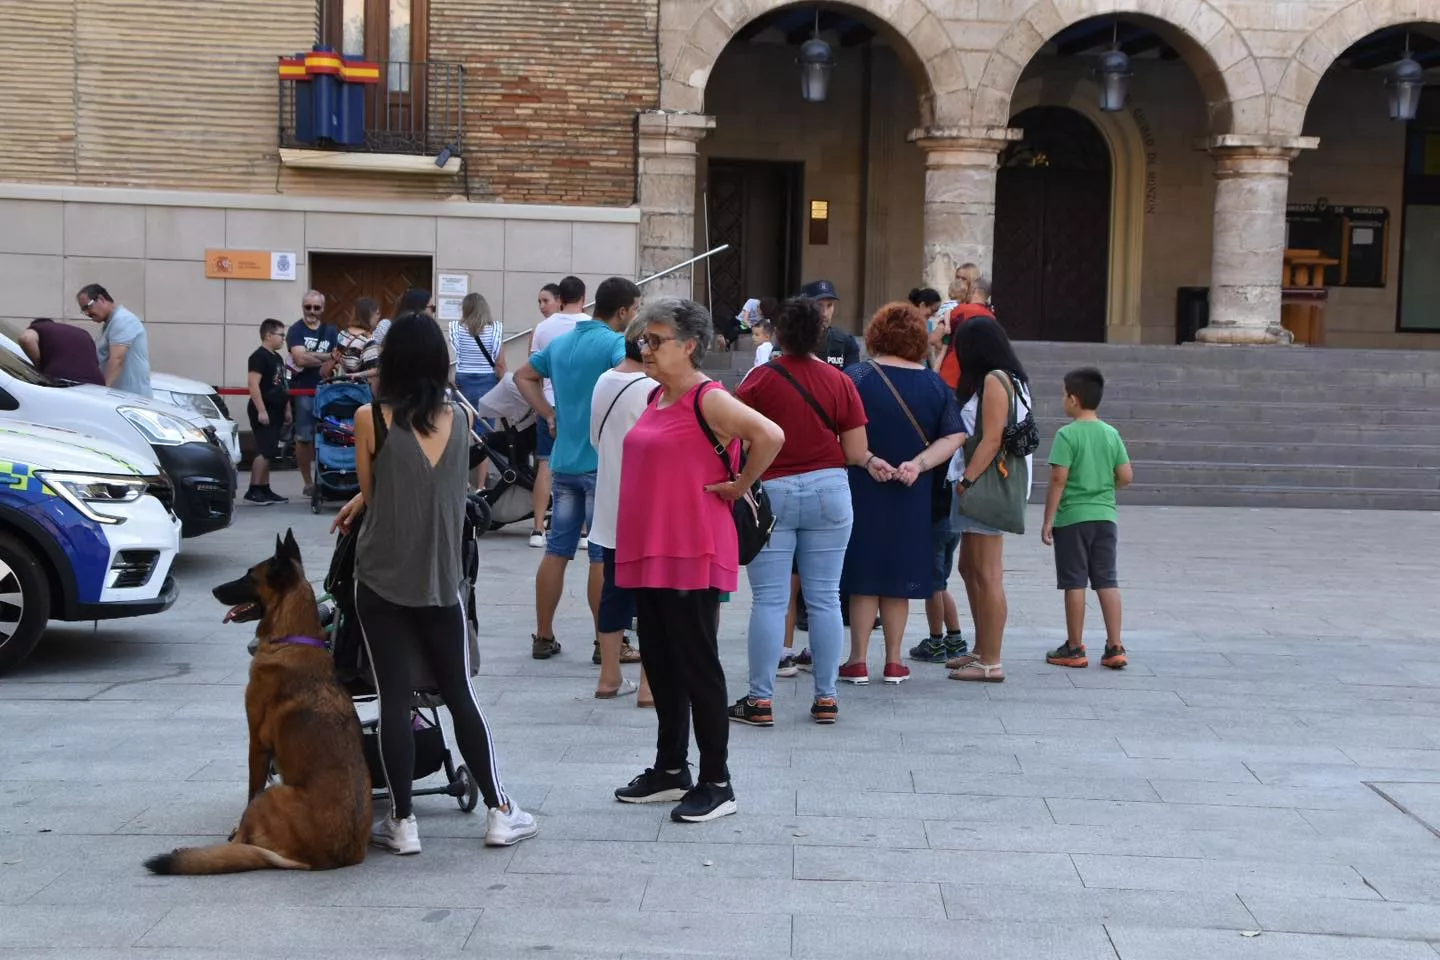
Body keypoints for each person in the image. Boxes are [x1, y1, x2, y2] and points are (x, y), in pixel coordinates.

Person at [333, 312, 537, 854]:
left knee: (395, 699)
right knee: (459, 693)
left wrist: (359, 498)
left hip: (379, 576)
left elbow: (375, 493)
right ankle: (499, 810)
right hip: (441, 578)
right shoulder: (463, 418)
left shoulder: (368, 418)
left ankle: (403, 824)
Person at [612, 298, 783, 822]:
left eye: (656, 340)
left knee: (697, 663)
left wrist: (741, 484)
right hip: (650, 546)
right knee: (661, 662)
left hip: (691, 547)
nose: (647, 348)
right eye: (643, 340)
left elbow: (770, 436)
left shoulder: (708, 399)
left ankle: (717, 780)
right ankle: (670, 768)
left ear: (689, 346)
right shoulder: (655, 398)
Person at [730, 298, 880, 727]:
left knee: (770, 600)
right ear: (820, 335)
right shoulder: (839, 381)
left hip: (772, 490)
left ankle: (760, 699)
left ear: (777, 333)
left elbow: (736, 437)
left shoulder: (759, 380)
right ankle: (827, 697)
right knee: (826, 597)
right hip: (829, 490)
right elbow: (854, 451)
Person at [839, 303, 966, 684]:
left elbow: (840, 432)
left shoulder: (856, 376)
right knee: (897, 578)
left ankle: (858, 660)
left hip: (865, 486)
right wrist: (919, 464)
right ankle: (894, 661)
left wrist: (867, 459)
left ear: (876, 335)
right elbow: (956, 434)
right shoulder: (934, 383)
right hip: (913, 492)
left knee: (864, 576)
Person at [515, 277, 639, 661]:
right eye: (634, 309)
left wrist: (549, 413)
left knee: (557, 550)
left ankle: (544, 635)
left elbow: (523, 375)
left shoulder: (561, 343)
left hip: (564, 459)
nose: (634, 316)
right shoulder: (615, 344)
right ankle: (608, 644)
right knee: (602, 555)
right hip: (601, 462)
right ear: (622, 311)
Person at [946, 316, 1033, 683]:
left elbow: (992, 438)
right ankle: (982, 648)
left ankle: (991, 661)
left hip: (985, 484)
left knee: (988, 573)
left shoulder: (996, 380)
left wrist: (967, 480)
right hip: (980, 482)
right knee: (969, 568)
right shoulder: (1007, 379)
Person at [1042, 367, 1133, 670]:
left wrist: (1048, 520)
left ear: (1074, 399)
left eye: (1063, 394)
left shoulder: (1066, 435)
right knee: (1107, 579)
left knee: (1075, 582)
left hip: (1072, 519)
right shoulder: (1111, 433)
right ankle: (1115, 646)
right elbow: (1126, 476)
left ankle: (1074, 646)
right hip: (1105, 516)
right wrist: (1104, 490)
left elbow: (1058, 480)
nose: (1063, 400)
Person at [588, 316, 654, 700]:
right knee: (651, 597)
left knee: (615, 590)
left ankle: (608, 678)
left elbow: (596, 439)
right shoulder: (653, 388)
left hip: (612, 501)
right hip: (648, 507)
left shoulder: (604, 381)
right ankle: (649, 685)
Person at [527, 279, 585, 549]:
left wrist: (540, 406)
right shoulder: (590, 326)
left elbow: (532, 373)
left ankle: (538, 529)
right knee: (587, 466)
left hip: (549, 403)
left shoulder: (542, 328)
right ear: (583, 298)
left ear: (560, 298)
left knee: (545, 465)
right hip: (583, 407)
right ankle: (585, 530)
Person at [450, 292, 505, 490]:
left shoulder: (456, 328)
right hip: (487, 382)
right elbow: (499, 365)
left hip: (463, 381)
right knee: (485, 436)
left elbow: (454, 357)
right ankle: (481, 486)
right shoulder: (496, 329)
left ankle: (462, 481)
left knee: (462, 430)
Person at [287, 290, 339, 496]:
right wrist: (325, 357)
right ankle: (308, 483)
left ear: (323, 308)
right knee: (304, 437)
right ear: (303, 307)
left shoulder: (331, 330)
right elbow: (299, 359)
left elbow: (337, 357)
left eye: (316, 307)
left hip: (328, 390)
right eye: (308, 307)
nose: (312, 311)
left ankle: (328, 477)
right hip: (303, 390)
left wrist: (315, 356)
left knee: (331, 434)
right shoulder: (295, 330)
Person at [243, 319, 291, 505]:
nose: (283, 339)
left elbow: (282, 385)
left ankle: (265, 488)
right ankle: (254, 489)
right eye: (281, 335)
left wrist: (287, 408)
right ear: (268, 335)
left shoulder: (277, 358)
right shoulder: (259, 357)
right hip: (264, 409)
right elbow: (253, 384)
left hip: (277, 409)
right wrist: (261, 410)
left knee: (270, 450)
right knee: (264, 449)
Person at [75, 284, 151, 398]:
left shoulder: (122, 320)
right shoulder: (110, 324)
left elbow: (117, 360)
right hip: (120, 398)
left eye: (88, 307)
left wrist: (101, 392)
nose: (87, 313)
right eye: (83, 310)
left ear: (101, 299)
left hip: (131, 400)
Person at [936, 277, 996, 389]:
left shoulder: (960, 310)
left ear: (974, 291)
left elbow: (935, 338)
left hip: (952, 373)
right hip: (976, 378)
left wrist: (943, 348)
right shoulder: (992, 317)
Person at [17, 317, 103, 385]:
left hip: (65, 381)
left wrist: (40, 365)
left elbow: (26, 339)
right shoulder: (81, 332)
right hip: (96, 384)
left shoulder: (38, 326)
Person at [799, 280, 860, 369]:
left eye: (829, 305)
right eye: (819, 305)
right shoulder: (789, 341)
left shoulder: (846, 343)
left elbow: (852, 380)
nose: (824, 313)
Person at [336, 297, 381, 382]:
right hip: (357, 389)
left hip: (338, 385)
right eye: (377, 313)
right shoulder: (367, 340)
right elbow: (374, 371)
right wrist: (357, 375)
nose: (379, 316)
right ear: (369, 315)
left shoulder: (342, 334)